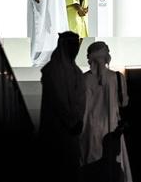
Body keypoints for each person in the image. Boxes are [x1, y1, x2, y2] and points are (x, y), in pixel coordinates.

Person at [80, 41, 132, 182]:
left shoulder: (83, 79)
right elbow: (124, 102)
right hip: (112, 130)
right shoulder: (116, 78)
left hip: (89, 130)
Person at [39, 31, 85, 182]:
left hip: (72, 131)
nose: (75, 49)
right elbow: (58, 101)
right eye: (71, 45)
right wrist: (72, 121)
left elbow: (80, 100)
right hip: (57, 129)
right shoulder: (52, 71)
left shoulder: (76, 71)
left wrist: (78, 120)